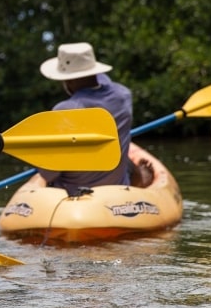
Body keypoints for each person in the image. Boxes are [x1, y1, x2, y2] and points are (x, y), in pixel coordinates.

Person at [35, 42, 151, 195]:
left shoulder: (63, 111)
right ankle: (139, 178)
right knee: (127, 163)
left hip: (73, 195)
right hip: (116, 188)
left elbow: (48, 174)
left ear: (68, 81)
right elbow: (105, 83)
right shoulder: (123, 96)